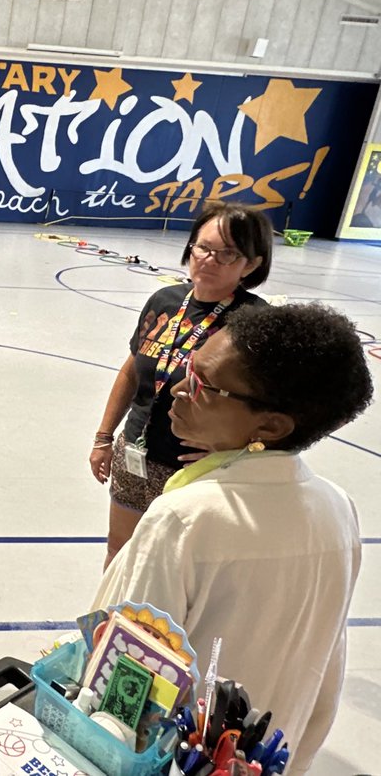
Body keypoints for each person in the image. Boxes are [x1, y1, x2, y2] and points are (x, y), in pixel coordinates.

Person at [93, 303, 372, 774]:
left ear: (270, 426)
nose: (179, 390)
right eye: (187, 370)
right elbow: (325, 674)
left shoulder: (185, 518)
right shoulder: (337, 507)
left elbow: (120, 689)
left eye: (203, 386)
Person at [89, 202, 273, 567]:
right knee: (119, 553)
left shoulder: (253, 321)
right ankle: (113, 624)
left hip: (196, 469)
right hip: (135, 455)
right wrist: (104, 437)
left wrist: (238, 454)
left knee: (176, 568)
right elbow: (132, 371)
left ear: (250, 264)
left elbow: (274, 405)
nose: (209, 259)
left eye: (227, 254)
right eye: (203, 247)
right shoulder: (165, 301)